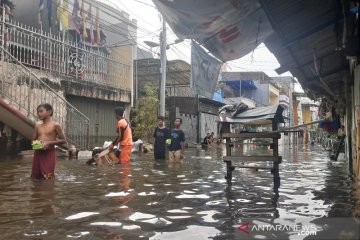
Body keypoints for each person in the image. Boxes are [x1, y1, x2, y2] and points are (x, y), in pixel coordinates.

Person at [32, 103, 66, 180]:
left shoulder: (55, 125)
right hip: (38, 153)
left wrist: (48, 143)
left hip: (49, 153)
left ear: (49, 112)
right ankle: (37, 191)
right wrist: (39, 146)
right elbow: (33, 140)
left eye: (41, 111)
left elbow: (63, 140)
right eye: (38, 112)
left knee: (49, 177)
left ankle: (50, 189)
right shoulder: (37, 126)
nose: (39, 114)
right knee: (35, 177)